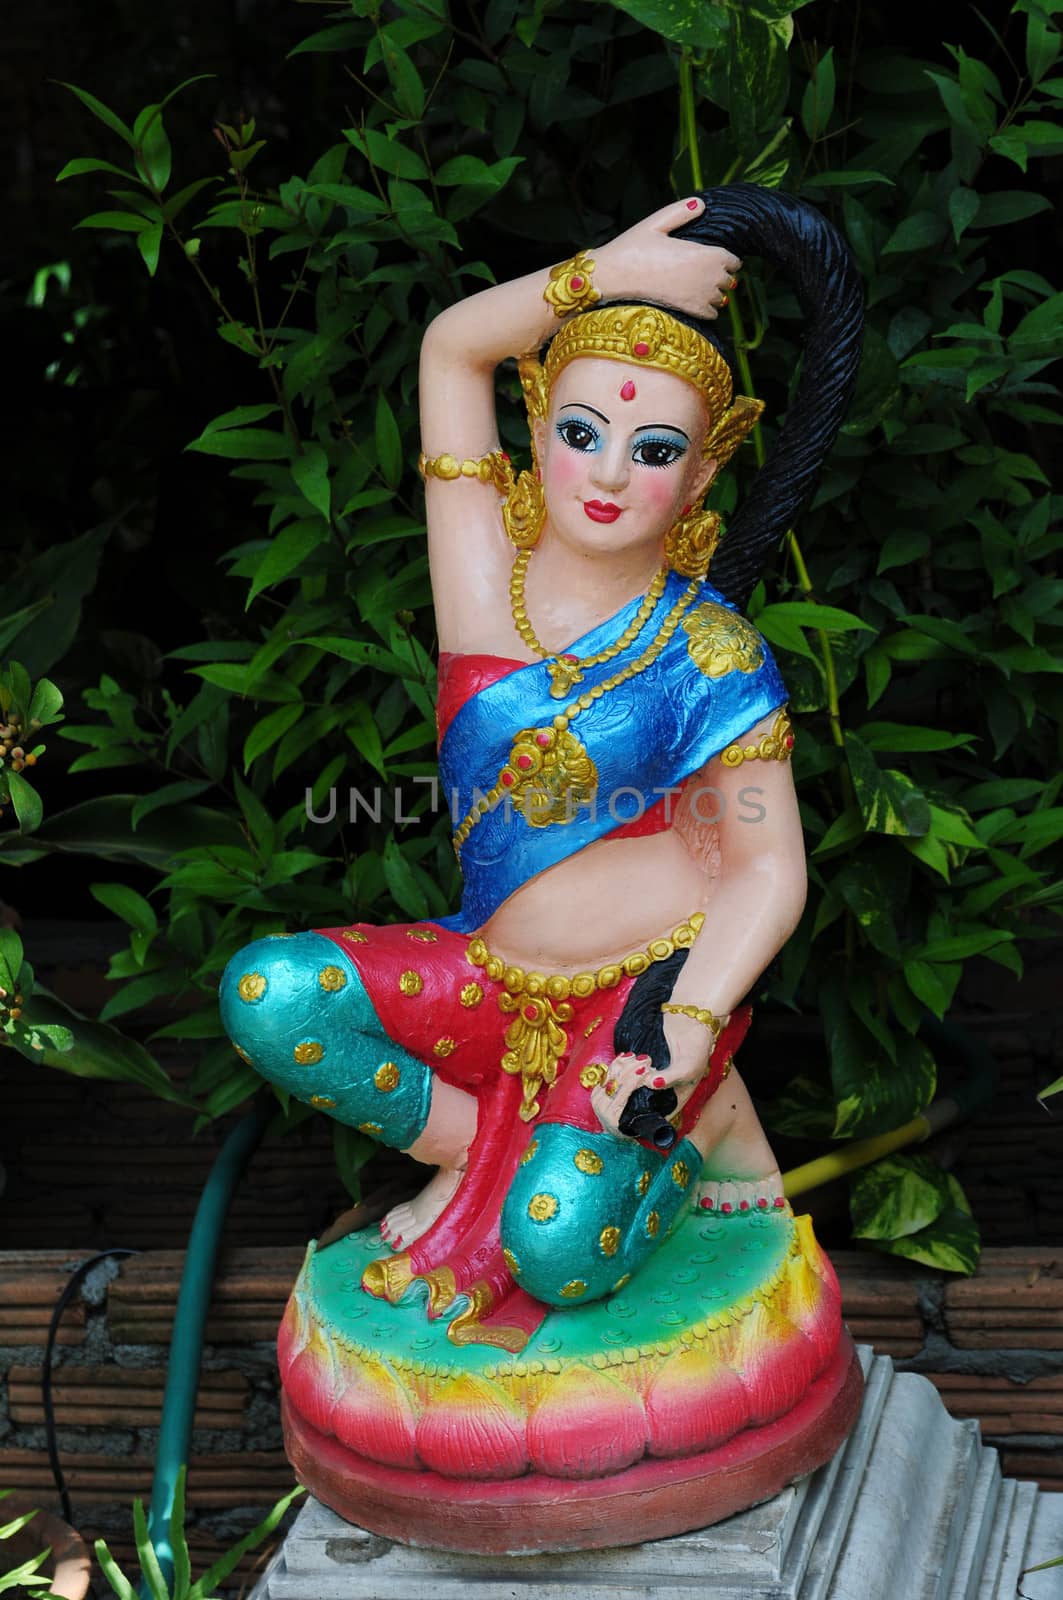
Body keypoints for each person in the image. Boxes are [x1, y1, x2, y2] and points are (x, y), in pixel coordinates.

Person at [220, 185, 863, 1352]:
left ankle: (691, 1122)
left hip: (639, 1006)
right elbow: (450, 346)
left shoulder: (708, 650)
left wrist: (687, 1026)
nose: (608, 471)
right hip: (493, 977)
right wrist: (602, 272)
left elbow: (766, 871)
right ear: (537, 427)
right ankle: (487, 1151)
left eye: (653, 449)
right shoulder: (481, 580)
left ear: (703, 473)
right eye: (582, 431)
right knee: (269, 995)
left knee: (558, 1249)